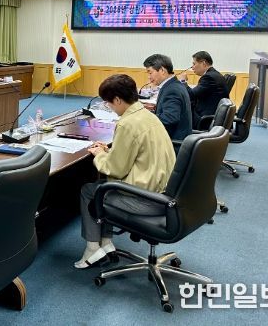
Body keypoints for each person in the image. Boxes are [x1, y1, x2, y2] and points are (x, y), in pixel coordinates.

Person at [75, 74, 176, 269]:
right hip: (164, 193)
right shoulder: (147, 115)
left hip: (146, 200)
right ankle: (106, 243)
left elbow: (115, 169)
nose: (109, 107)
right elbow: (136, 155)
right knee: (104, 186)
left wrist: (99, 154)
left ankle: (93, 248)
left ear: (118, 100)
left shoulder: (127, 123)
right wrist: (109, 151)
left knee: (90, 191)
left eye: (108, 103)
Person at [143, 54, 192, 141]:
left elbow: (170, 118)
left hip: (172, 142)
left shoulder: (172, 90)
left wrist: (144, 117)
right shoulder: (174, 85)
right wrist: (155, 110)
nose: (149, 77)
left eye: (150, 73)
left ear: (162, 70)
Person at [178, 51, 229, 128]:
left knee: (177, 112)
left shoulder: (209, 77)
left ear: (203, 63)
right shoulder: (214, 74)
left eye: (194, 64)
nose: (192, 67)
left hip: (205, 120)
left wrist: (183, 81)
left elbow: (190, 95)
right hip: (210, 115)